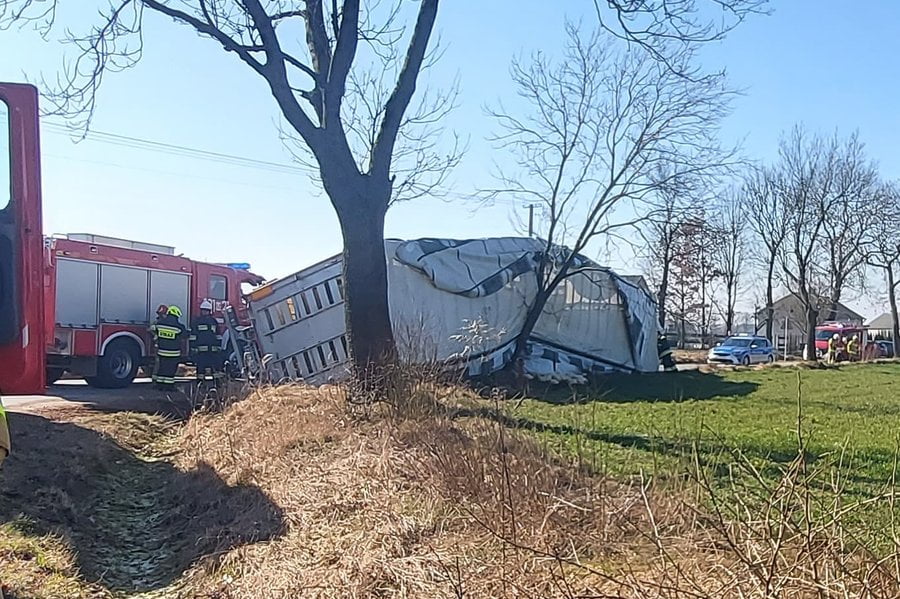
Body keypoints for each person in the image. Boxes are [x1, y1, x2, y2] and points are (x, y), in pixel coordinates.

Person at [150, 305, 186, 390]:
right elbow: (184, 335)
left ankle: (159, 385)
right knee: (170, 370)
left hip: (161, 351)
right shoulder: (179, 326)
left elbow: (153, 330)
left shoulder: (160, 323)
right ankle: (169, 386)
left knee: (162, 368)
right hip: (173, 353)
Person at [190, 300, 222, 380]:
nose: (205, 312)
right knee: (202, 370)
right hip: (204, 351)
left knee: (214, 370)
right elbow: (193, 336)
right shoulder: (211, 321)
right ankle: (201, 385)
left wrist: (218, 346)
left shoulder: (200, 321)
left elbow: (218, 335)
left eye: (206, 310)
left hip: (210, 350)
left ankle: (216, 385)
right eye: (204, 310)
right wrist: (193, 347)